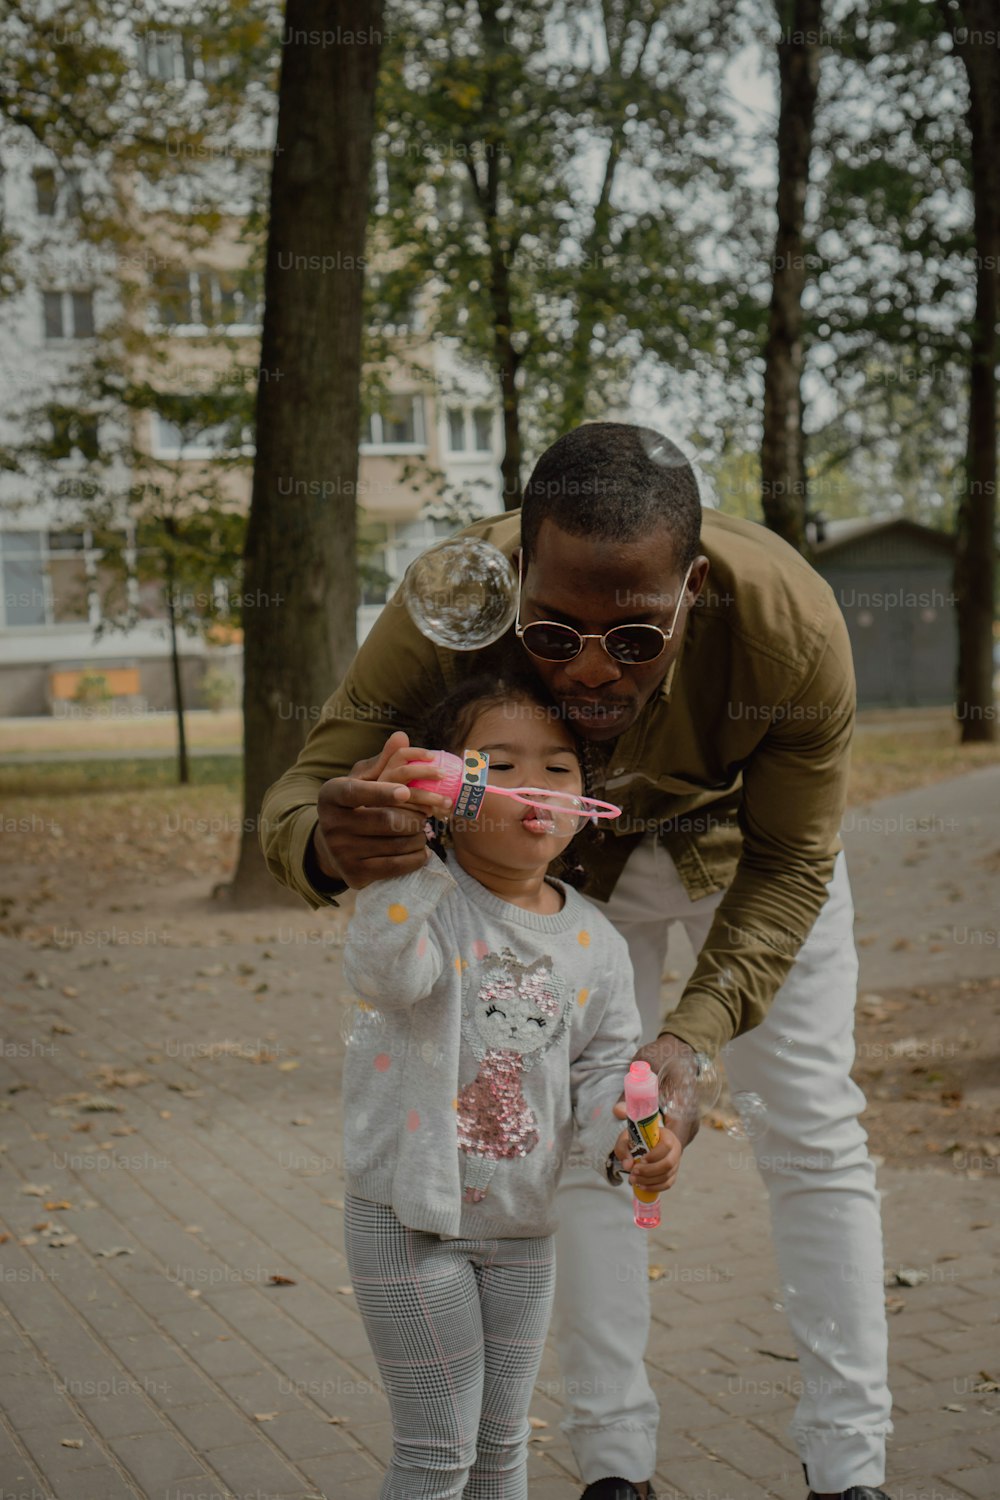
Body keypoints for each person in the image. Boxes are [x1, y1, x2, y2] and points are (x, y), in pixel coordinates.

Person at [261, 422, 893, 1500]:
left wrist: (689, 1042)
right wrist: (329, 840)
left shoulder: (790, 627)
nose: (593, 667)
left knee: (811, 1124)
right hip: (567, 857)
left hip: (739, 844)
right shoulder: (447, 605)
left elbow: (792, 859)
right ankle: (613, 1467)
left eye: (636, 638)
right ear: (516, 577)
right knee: (590, 1135)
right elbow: (303, 786)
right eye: (554, 633)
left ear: (691, 589)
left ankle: (848, 1464)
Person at [338, 672, 680, 1500]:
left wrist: (638, 1137)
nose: (535, 785)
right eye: (498, 765)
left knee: (500, 1454)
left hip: (525, 1228)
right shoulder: (430, 903)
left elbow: (606, 1068)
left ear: (586, 798)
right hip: (414, 1216)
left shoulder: (596, 938)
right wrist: (404, 863)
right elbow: (387, 977)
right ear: (449, 792)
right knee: (438, 1454)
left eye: (559, 768)